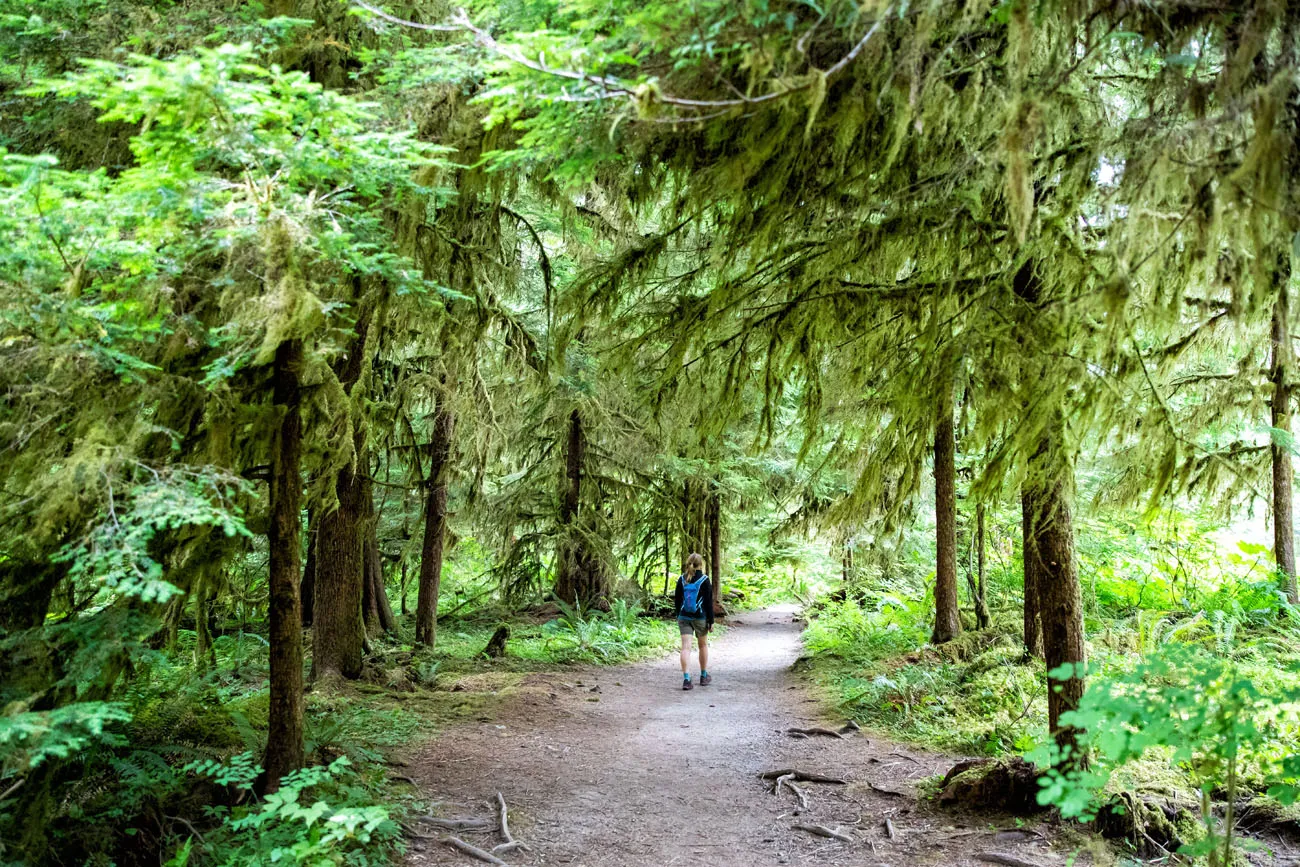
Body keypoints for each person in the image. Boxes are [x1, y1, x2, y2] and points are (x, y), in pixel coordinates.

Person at [673, 552, 714, 690]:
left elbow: (677, 600)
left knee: (685, 648)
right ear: (700, 564)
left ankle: (686, 679)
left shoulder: (681, 579)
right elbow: (708, 602)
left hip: (684, 617)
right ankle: (703, 676)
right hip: (700, 617)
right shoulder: (704, 579)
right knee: (702, 646)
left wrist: (679, 614)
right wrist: (711, 621)